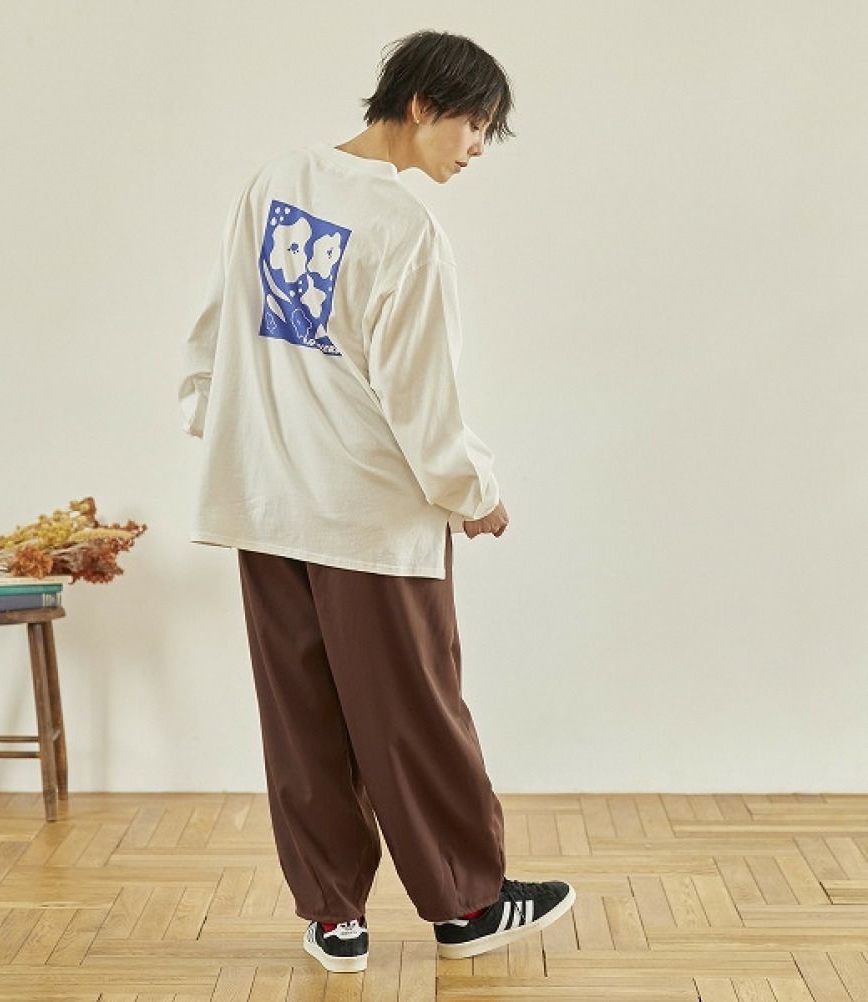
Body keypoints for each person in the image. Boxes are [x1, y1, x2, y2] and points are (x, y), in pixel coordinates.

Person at [178, 29, 574, 975]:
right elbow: (420, 394)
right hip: (368, 515)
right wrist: (475, 493)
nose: (477, 149)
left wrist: (221, 420)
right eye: (474, 125)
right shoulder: (405, 229)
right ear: (423, 104)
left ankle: (334, 917)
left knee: (302, 715)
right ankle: (469, 905)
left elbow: (221, 327)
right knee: (414, 712)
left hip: (265, 499)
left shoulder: (276, 179)